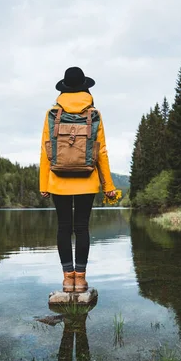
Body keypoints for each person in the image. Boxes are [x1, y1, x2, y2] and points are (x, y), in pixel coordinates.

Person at [39, 66, 116, 293]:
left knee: (64, 228)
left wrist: (44, 184)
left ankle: (67, 279)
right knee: (81, 228)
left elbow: (45, 150)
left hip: (57, 179)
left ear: (64, 88)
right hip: (87, 179)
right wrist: (108, 186)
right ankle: (80, 280)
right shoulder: (94, 114)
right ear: (85, 87)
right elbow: (101, 152)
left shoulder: (53, 113)